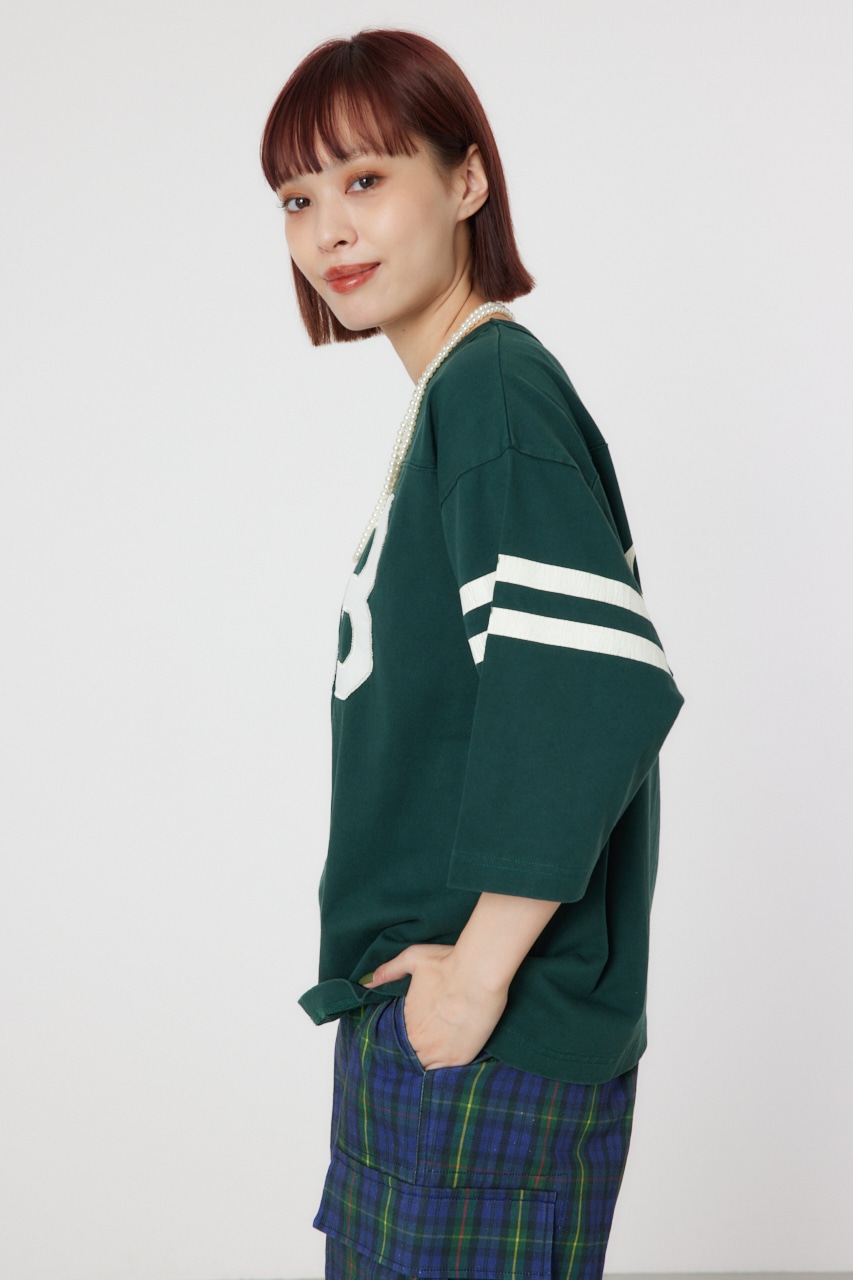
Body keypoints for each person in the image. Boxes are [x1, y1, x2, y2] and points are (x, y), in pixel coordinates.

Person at [261, 28, 683, 1280]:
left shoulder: (492, 391)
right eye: (297, 198)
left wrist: (476, 976)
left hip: (487, 1036)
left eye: (365, 177)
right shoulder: (454, 397)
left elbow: (594, 688)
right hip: (438, 1028)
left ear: (466, 180)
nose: (329, 228)